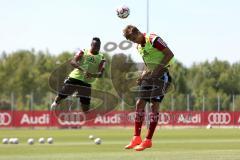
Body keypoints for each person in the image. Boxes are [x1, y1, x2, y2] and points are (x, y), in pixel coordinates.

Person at [123, 25, 174, 151]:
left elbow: (170, 55)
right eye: (130, 40)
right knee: (139, 103)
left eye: (133, 38)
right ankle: (136, 137)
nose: (133, 41)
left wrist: (155, 73)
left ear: (138, 32)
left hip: (162, 76)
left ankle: (148, 140)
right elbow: (148, 63)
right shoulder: (139, 46)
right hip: (150, 76)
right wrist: (143, 74)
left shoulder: (153, 39)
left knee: (153, 105)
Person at [51, 37, 106, 112]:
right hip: (75, 77)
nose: (97, 48)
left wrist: (92, 75)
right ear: (91, 45)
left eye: (98, 46)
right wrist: (83, 70)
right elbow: (73, 62)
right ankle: (55, 103)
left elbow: (101, 74)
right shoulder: (83, 51)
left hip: (86, 82)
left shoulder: (102, 57)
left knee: (86, 109)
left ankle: (79, 117)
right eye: (95, 46)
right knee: (63, 94)